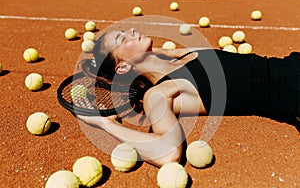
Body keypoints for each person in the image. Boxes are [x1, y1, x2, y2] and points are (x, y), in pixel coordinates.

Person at [77, 28, 300, 167]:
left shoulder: (176, 55)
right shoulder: (159, 94)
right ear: (123, 66)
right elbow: (168, 154)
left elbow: (159, 55)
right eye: (122, 39)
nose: (132, 31)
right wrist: (104, 123)